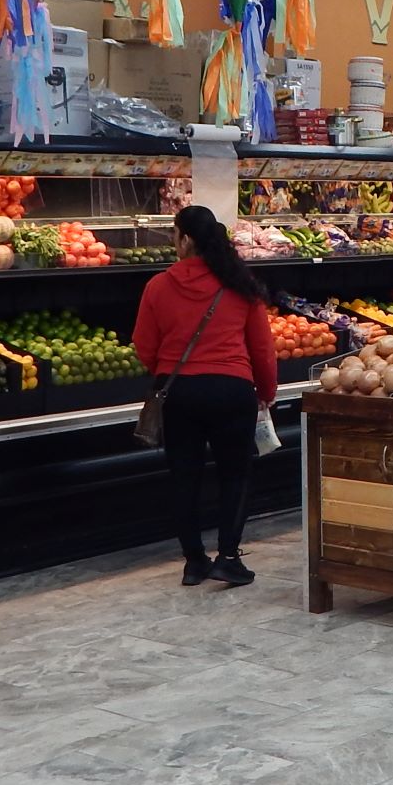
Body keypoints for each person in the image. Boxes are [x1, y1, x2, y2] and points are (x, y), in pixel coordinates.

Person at [132, 206, 277, 586]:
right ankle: (228, 558)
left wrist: (167, 371)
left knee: (185, 478)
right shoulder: (240, 283)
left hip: (180, 393)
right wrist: (266, 391)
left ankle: (194, 561)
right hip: (232, 390)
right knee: (235, 475)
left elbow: (143, 344)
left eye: (174, 234)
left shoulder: (158, 286)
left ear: (186, 239)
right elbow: (262, 349)